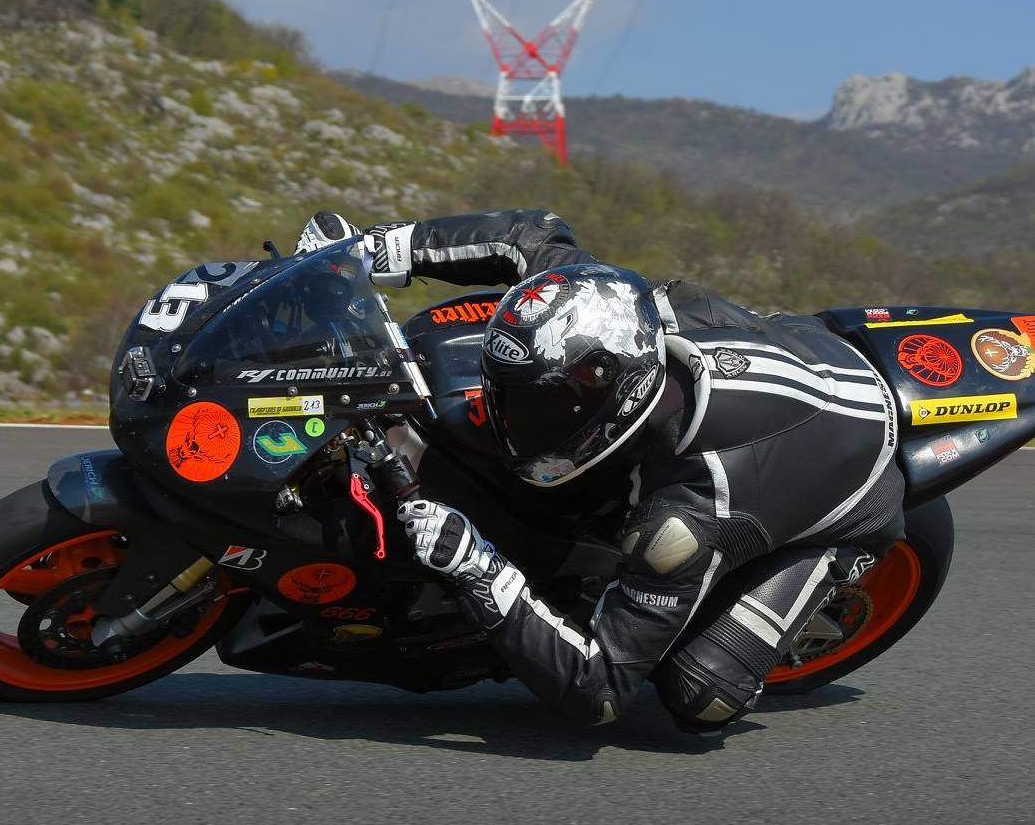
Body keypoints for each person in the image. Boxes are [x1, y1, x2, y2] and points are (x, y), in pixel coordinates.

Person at [296, 210, 905, 733]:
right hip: (797, 355)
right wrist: (362, 251)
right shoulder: (606, 305)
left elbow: (600, 689)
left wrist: (477, 567)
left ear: (616, 398)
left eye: (539, 407)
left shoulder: (689, 515)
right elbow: (528, 234)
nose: (507, 417)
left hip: (847, 486)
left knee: (699, 694)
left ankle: (814, 567)